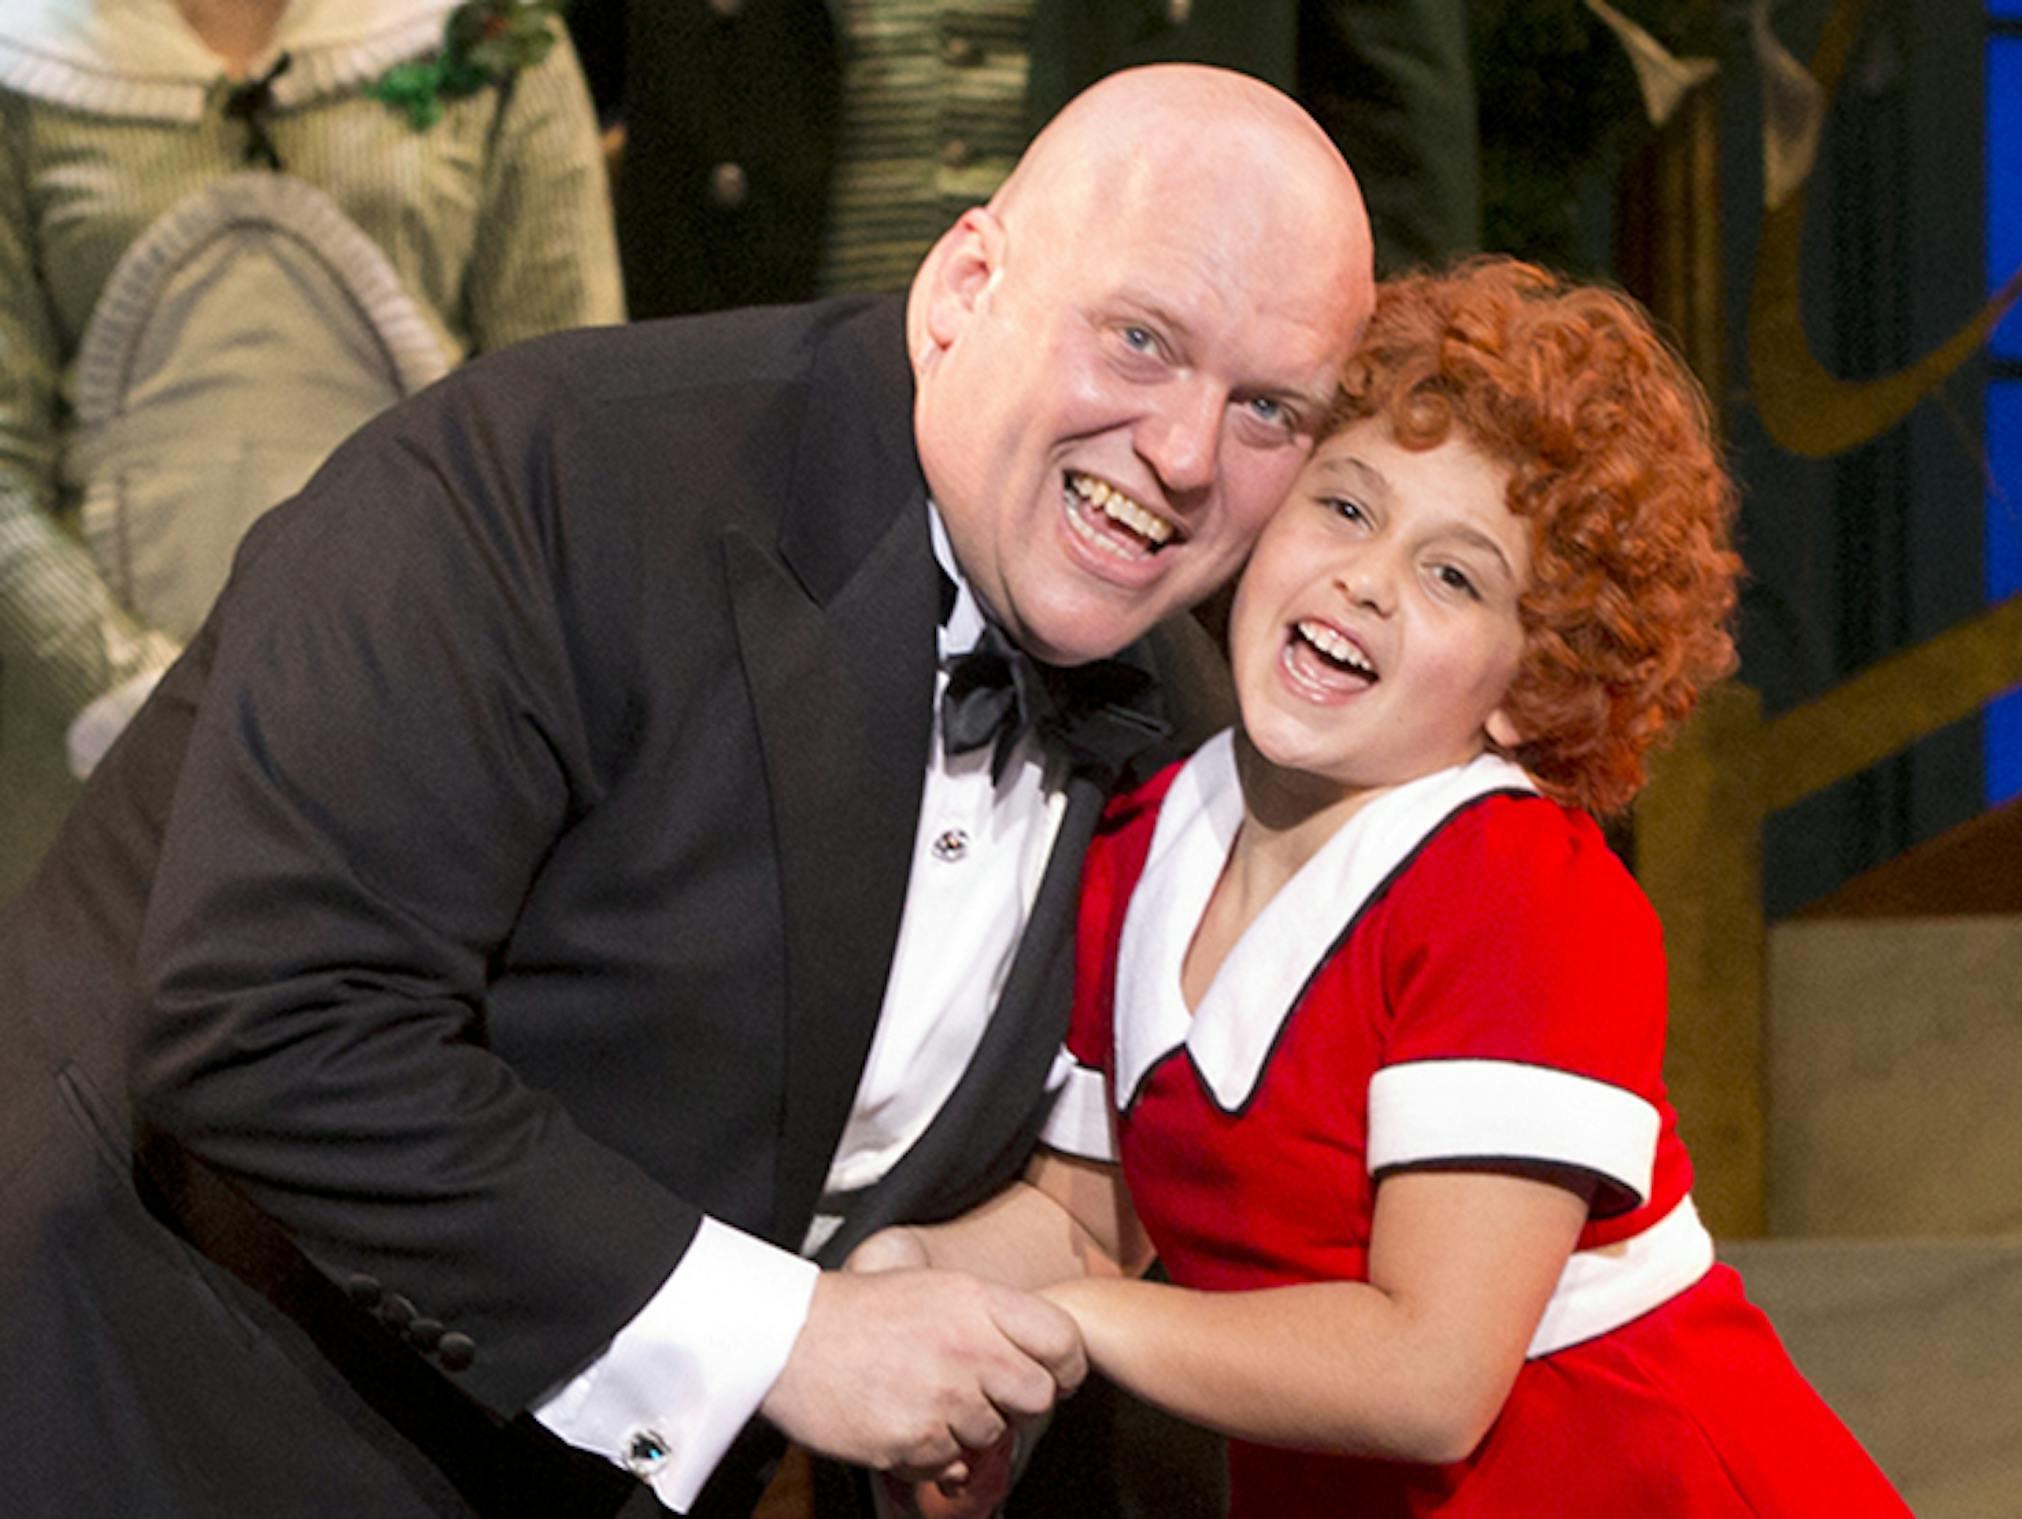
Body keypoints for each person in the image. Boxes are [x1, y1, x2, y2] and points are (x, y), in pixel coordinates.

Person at [0, 63, 1374, 1518]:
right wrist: (782, 1338)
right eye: (1143, 339)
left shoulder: (1195, 734)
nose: (1182, 453)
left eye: (1269, 409)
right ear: (965, 285)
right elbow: (268, 1016)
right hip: (146, 1408)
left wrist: (963, 1354)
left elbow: (1093, 1185)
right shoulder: (546, 481)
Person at [850, 259, 1915, 1516]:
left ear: (1532, 688)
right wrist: (913, 1287)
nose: (1366, 578)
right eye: (1346, 509)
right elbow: (1088, 1223)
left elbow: (1427, 1376)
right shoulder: (1144, 839)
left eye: (1454, 575)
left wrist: (1076, 1325)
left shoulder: (1520, 894)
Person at [0, 0, 624, 896]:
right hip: (95, 780)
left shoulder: (494, 42)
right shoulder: (23, 66)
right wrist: (149, 706)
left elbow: (567, 438)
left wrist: (394, 712)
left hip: (418, 768)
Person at [567, 0, 1477, 318]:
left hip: (1133, 404)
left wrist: (1399, 409)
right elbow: (561, 67)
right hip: (773, 365)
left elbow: (1394, 126)